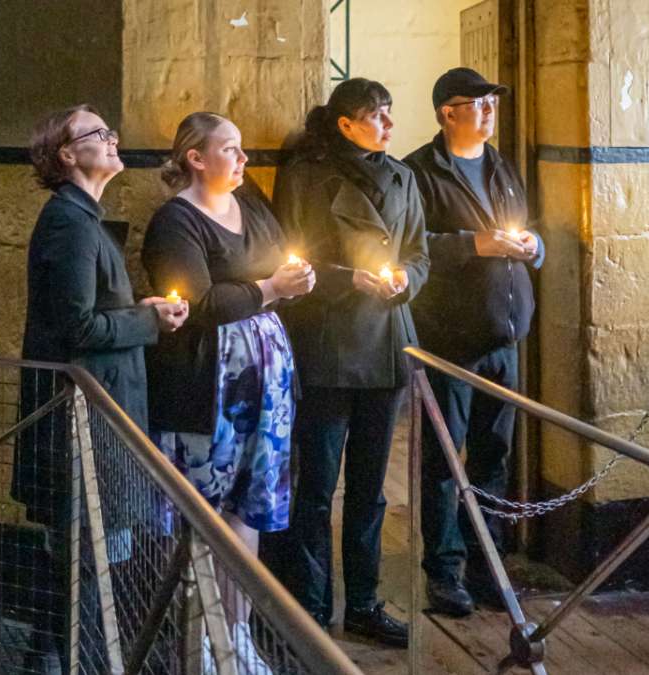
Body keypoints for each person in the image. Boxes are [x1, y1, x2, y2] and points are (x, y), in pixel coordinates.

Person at [14, 104, 188, 673]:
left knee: (88, 560)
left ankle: (62, 659)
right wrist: (149, 323)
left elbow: (88, 311)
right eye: (97, 133)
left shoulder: (82, 217)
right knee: (87, 565)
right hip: (84, 422)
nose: (113, 138)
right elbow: (77, 328)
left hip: (98, 413)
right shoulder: (69, 221)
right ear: (67, 155)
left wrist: (137, 307)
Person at [141, 111, 314, 672]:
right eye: (232, 149)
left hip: (265, 383)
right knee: (203, 514)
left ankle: (236, 636)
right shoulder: (174, 223)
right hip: (205, 388)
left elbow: (278, 255)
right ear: (196, 157)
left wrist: (289, 283)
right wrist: (267, 287)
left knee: (247, 504)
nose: (244, 159)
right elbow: (201, 306)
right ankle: (198, 644)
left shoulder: (253, 201)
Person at [264, 77, 429, 648]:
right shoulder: (307, 177)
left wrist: (406, 280)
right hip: (330, 345)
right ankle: (310, 607)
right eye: (378, 116)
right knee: (316, 484)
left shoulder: (405, 177)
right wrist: (345, 280)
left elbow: (418, 253)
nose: (388, 126)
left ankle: (362, 603)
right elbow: (290, 256)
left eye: (389, 114)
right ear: (346, 123)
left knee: (370, 487)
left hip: (386, 346)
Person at [403, 67, 543, 616]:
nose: (488, 112)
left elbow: (529, 231)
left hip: (505, 337)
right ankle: (444, 571)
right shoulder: (420, 172)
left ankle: (489, 562)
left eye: (492, 103)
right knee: (444, 460)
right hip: (450, 340)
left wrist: (533, 248)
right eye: (477, 104)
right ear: (447, 112)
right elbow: (413, 248)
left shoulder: (502, 165)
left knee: (494, 456)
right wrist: (474, 245)